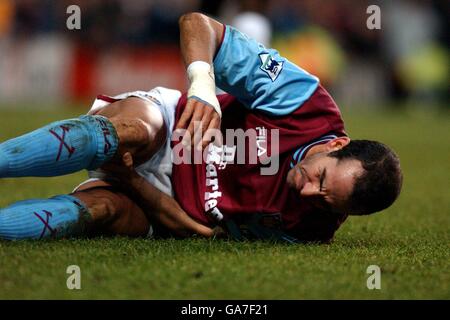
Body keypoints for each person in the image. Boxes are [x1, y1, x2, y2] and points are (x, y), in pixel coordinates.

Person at [0, 13, 403, 243]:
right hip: (169, 126)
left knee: (100, 212)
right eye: (320, 177)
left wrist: (132, 185)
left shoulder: (309, 228)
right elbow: (197, 24)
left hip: (161, 205)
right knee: (133, 132)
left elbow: (192, 229)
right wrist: (202, 86)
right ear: (336, 143)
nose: (307, 191)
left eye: (326, 201)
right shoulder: (304, 104)